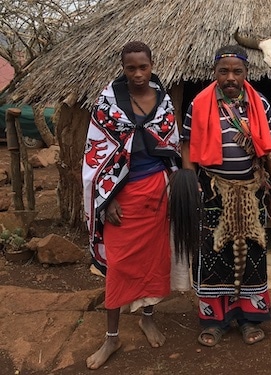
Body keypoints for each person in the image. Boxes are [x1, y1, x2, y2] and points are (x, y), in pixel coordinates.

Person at [179, 44, 271, 347]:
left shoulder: (259, 104)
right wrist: (191, 183)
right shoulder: (199, 104)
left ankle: (249, 319)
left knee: (251, 257)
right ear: (214, 73)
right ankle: (214, 322)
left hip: (253, 191)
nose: (230, 77)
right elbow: (186, 145)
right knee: (213, 257)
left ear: (246, 74)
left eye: (236, 71)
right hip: (212, 191)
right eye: (223, 71)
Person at [82, 41, 181, 369]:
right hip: (120, 197)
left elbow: (171, 146)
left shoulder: (163, 100)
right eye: (131, 68)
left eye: (143, 67)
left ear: (152, 65)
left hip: (156, 190)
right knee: (119, 266)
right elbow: (96, 156)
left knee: (154, 260)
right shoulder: (107, 104)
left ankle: (147, 317)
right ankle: (112, 337)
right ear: (122, 68)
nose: (138, 74)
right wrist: (105, 201)